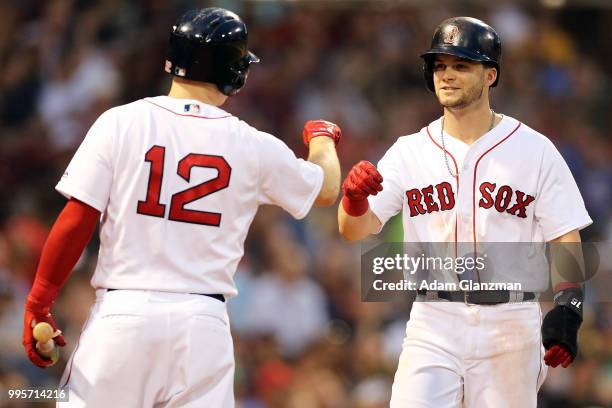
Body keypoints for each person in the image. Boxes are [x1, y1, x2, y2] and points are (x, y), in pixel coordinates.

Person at [22, 7, 341, 407]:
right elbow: (327, 189)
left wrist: (39, 301)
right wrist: (323, 139)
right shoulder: (251, 143)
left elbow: (76, 219)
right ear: (235, 71)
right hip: (200, 326)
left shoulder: (121, 121)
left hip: (123, 314)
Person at [338, 17, 591, 407]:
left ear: (490, 75)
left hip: (511, 322)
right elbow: (354, 230)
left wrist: (568, 305)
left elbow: (565, 236)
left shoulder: (534, 149)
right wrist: (353, 201)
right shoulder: (409, 151)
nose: (447, 75)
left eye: (461, 65)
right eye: (439, 66)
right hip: (433, 320)